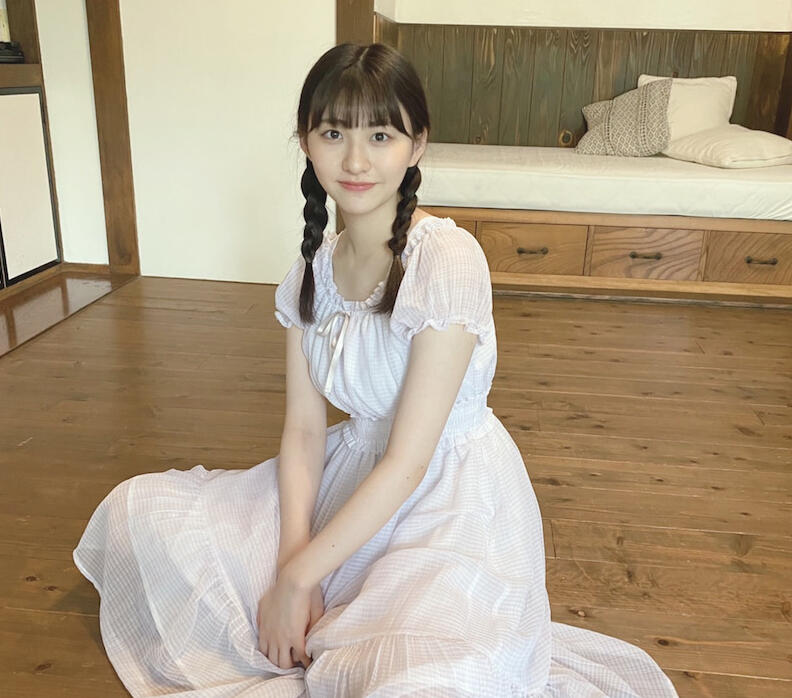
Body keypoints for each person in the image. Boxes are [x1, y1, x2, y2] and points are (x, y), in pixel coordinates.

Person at [73, 42, 679, 697]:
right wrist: (291, 562)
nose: (356, 161)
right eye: (334, 134)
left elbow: (408, 462)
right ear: (306, 143)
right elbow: (304, 433)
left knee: (416, 679)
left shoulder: (446, 261)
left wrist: (300, 579)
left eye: (381, 136)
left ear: (417, 146)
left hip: (447, 501)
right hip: (347, 475)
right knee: (139, 513)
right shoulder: (308, 273)